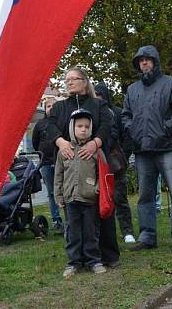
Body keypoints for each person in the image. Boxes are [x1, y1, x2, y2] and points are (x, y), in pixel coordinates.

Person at [122, 45, 172, 253]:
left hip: (166, 147)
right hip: (142, 149)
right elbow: (125, 115)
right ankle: (147, 236)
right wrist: (133, 130)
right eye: (140, 60)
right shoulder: (132, 89)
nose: (144, 62)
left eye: (147, 59)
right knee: (145, 195)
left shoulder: (171, 84)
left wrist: (165, 128)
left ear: (155, 61)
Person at [47, 67, 118, 267]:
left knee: (101, 211)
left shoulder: (98, 104)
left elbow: (107, 126)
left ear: (85, 82)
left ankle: (106, 256)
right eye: (66, 79)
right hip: (70, 165)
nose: (69, 82)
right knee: (75, 221)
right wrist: (60, 142)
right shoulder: (60, 107)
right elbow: (49, 127)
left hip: (95, 162)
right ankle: (76, 259)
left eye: (74, 79)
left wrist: (95, 143)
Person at [54, 110, 106, 277]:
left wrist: (96, 189)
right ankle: (73, 263)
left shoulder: (96, 151)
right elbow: (58, 174)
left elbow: (103, 172)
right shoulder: (64, 151)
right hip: (70, 199)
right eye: (79, 126)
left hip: (90, 199)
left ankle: (93, 261)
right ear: (72, 128)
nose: (83, 129)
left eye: (86, 126)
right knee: (73, 232)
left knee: (91, 232)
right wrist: (59, 195)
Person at [95, 81, 136, 244]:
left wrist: (123, 156)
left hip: (115, 161)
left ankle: (127, 230)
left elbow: (127, 137)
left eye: (100, 95)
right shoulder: (92, 112)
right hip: (98, 161)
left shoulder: (117, 113)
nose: (98, 98)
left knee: (120, 197)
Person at [32, 97, 64, 235]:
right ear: (45, 109)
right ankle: (56, 220)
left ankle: (70, 219)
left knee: (66, 190)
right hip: (46, 163)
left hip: (61, 161)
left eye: (53, 105)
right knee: (51, 193)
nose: (51, 108)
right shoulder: (40, 124)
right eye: (48, 106)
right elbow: (35, 142)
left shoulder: (62, 122)